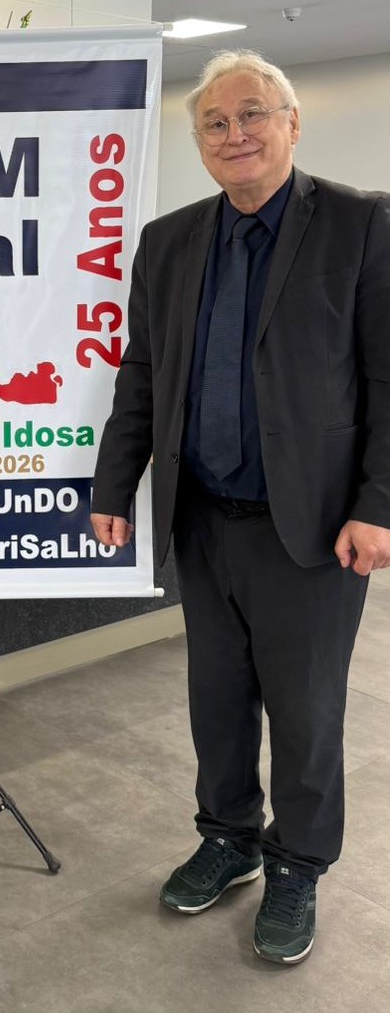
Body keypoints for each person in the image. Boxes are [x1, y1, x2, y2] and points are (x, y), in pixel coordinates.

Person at [91, 50, 390, 965]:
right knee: (216, 699)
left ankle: (297, 863)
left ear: (292, 123)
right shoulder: (169, 241)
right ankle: (228, 838)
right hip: (203, 517)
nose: (236, 134)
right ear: (200, 143)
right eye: (215, 123)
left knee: (305, 712)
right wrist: (114, 483)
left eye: (253, 113)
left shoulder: (362, 224)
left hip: (313, 528)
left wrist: (379, 502)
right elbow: (144, 371)